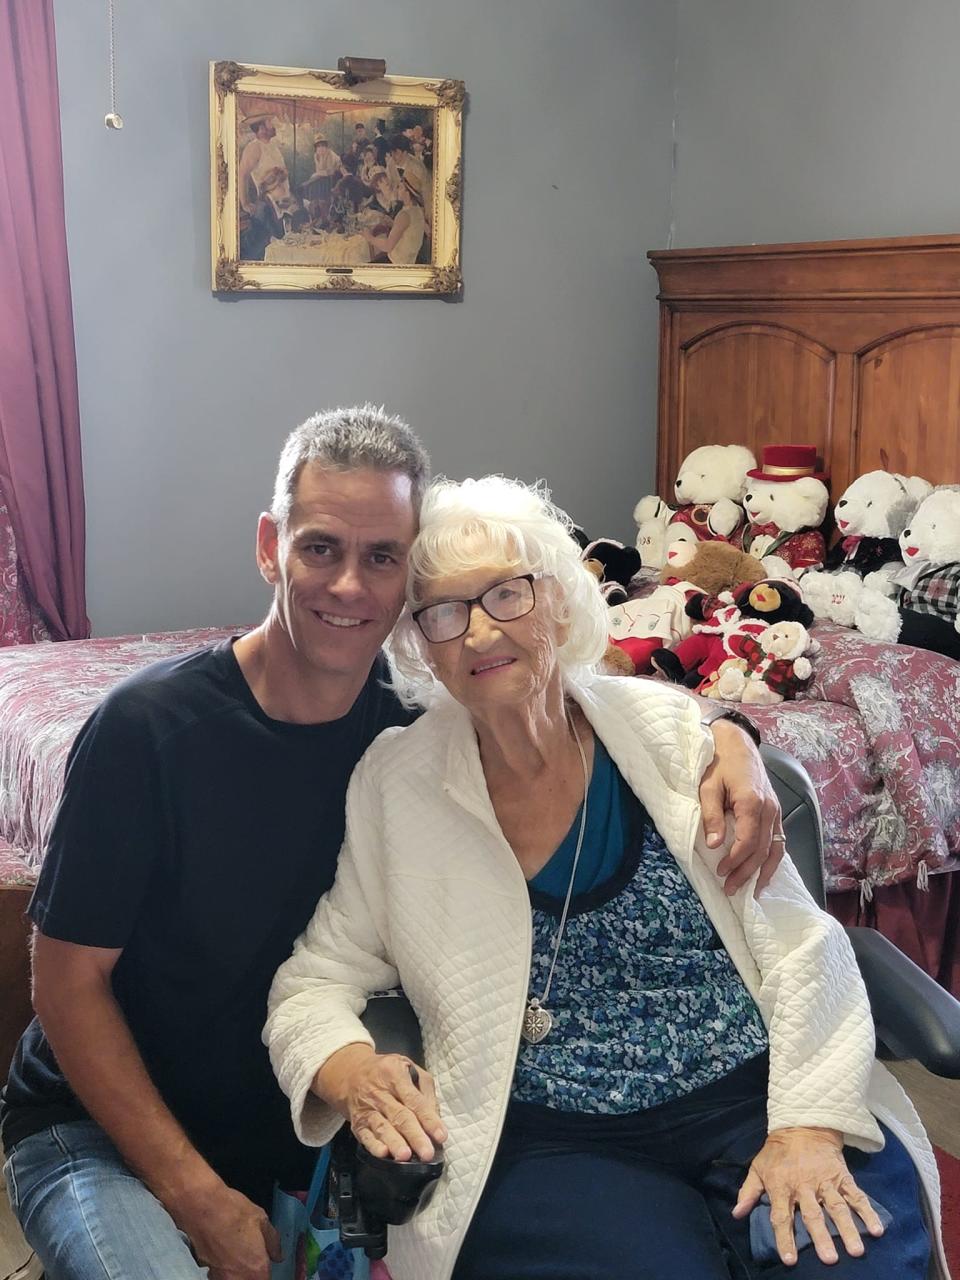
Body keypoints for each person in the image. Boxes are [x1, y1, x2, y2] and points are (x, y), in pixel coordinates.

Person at [0, 413, 782, 1280]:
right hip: (102, 1135)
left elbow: (584, 699)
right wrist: (192, 1194)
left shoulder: (420, 731)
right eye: (320, 548)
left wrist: (729, 730)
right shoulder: (146, 731)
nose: (349, 586)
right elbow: (65, 983)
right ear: (270, 547)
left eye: (382, 558)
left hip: (295, 1124)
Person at [265, 475, 943, 1280]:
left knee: (845, 1260)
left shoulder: (670, 733)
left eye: (507, 595)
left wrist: (808, 1124)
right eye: (443, 612)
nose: (480, 634)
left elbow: (803, 943)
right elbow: (313, 982)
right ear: (422, 647)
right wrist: (355, 1072)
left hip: (755, 1098)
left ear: (560, 600)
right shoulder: (398, 783)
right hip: (549, 1140)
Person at [362, 175, 425, 265]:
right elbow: (406, 229)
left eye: (400, 187)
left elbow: (388, 246)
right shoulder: (417, 209)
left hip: (397, 262)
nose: (396, 188)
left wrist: (370, 238)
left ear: (407, 193)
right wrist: (392, 223)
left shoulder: (404, 215)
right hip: (409, 260)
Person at [238, 114, 287, 213]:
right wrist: (245, 204)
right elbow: (242, 175)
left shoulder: (273, 146)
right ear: (261, 128)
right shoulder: (254, 147)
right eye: (269, 122)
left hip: (284, 203)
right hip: (270, 206)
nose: (273, 125)